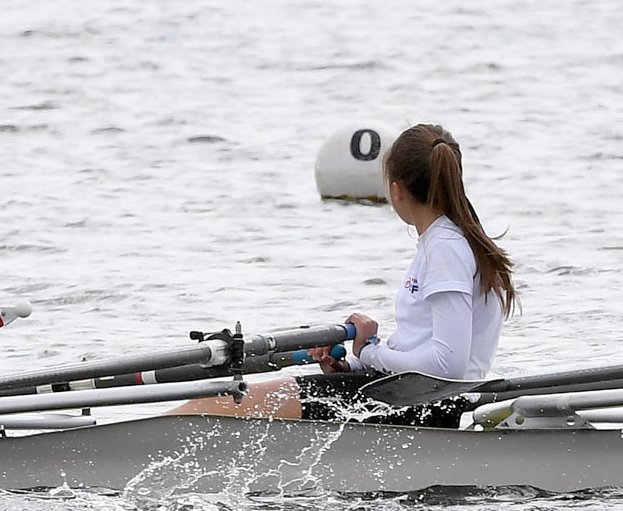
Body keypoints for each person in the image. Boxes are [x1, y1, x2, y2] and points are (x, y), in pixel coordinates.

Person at [170, 123, 516, 421]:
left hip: (424, 405)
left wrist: (368, 352)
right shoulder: (451, 240)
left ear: (396, 190)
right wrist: (354, 365)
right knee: (221, 404)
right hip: (411, 396)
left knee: (211, 405)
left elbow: (448, 366)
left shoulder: (445, 247)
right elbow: (424, 348)